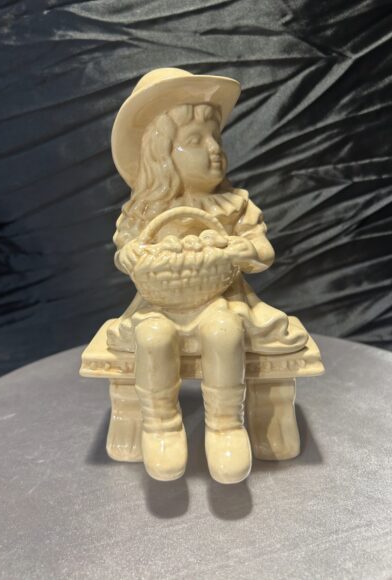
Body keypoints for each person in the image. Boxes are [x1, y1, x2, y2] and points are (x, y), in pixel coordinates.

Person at [107, 68, 309, 484]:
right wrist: (130, 255)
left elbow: (263, 251)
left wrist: (244, 250)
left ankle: (225, 425)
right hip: (159, 304)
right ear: (162, 155)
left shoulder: (235, 204)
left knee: (223, 329)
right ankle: (161, 426)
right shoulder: (144, 212)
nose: (215, 149)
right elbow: (125, 251)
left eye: (216, 138)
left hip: (224, 298)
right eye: (196, 140)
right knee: (153, 336)